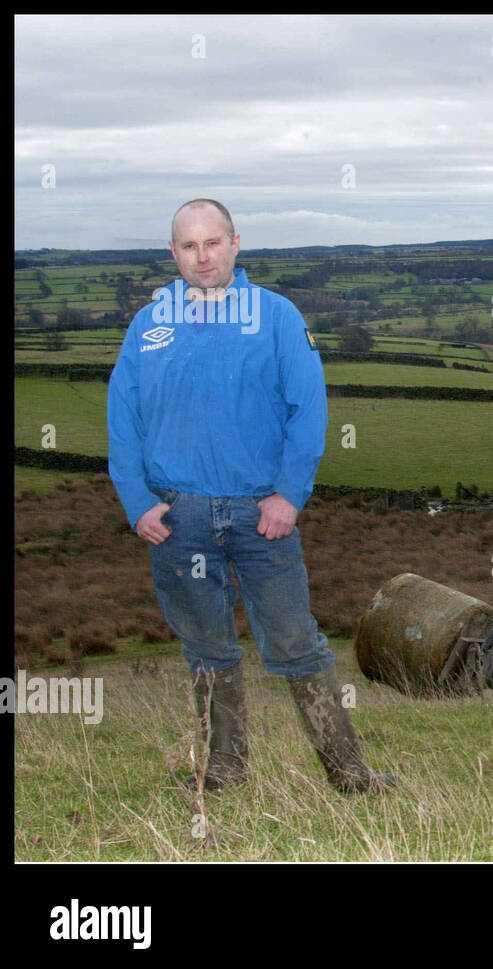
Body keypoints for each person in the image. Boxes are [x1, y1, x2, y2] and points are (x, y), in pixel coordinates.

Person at [107, 198, 393, 794]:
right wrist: (137, 502)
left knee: (296, 641)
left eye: (213, 242)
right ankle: (223, 776)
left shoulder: (276, 316)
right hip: (176, 516)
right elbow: (123, 418)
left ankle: (352, 777)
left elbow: (307, 410)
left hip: (262, 515)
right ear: (173, 253)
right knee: (206, 647)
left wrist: (289, 495)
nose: (202, 256)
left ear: (236, 243)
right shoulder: (148, 325)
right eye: (189, 246)